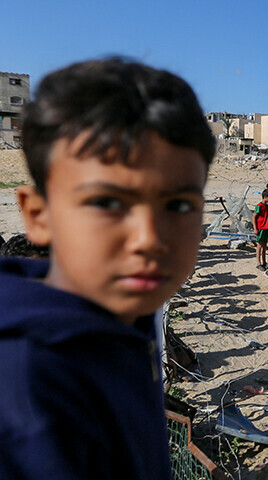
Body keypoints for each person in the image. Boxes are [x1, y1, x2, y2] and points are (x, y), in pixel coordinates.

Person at [1, 58, 215, 480]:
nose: (148, 238)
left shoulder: (117, 329)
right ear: (38, 215)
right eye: (107, 203)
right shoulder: (30, 387)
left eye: (179, 205)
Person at [252, 189, 268, 271]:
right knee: (259, 245)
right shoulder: (259, 206)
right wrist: (255, 228)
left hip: (265, 227)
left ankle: (264, 262)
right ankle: (258, 263)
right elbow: (254, 217)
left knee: (264, 246)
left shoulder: (267, 206)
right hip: (260, 228)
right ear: (265, 197)